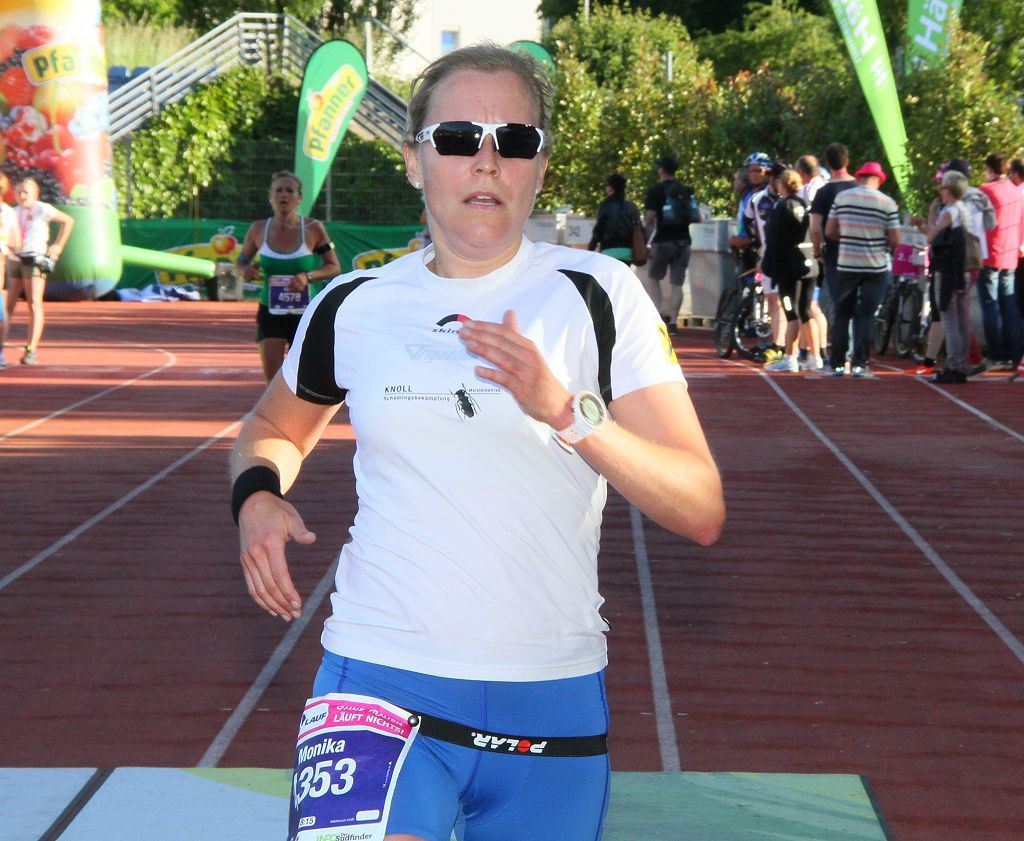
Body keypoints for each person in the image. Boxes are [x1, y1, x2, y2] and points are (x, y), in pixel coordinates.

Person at [230, 44, 724, 841]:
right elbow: (273, 427)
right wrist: (256, 494)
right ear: (414, 160)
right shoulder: (352, 304)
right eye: (459, 137)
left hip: (551, 699)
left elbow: (699, 504)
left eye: (514, 140)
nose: (486, 160)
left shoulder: (599, 295)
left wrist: (567, 411)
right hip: (378, 679)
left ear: (540, 166)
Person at [236, 171, 341, 382]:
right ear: (270, 196)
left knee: (303, 379)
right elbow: (240, 263)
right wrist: (244, 271)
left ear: (299, 197)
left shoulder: (313, 228)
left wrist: (307, 276)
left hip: (305, 312)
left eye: (290, 191)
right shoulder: (258, 229)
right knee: (272, 379)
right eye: (278, 190)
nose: (284, 195)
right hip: (271, 310)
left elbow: (334, 267)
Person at [825, 161, 900, 378]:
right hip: (875, 266)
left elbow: (830, 231)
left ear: (859, 178)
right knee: (866, 314)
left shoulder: (842, 198)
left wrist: (847, 237)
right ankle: (860, 364)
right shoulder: (887, 203)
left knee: (842, 313)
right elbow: (895, 239)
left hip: (847, 263)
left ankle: (837, 364)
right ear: (878, 180)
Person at [3, 177, 74, 366]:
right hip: (14, 259)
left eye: (26, 192)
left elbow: (68, 221)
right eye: (18, 192)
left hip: (34, 259)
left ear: (35, 194)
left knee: (34, 302)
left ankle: (31, 349)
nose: (22, 196)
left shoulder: (42, 209)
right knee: (7, 306)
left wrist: (58, 246)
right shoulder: (12, 212)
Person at [916, 170, 973, 384]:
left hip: (948, 269)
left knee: (950, 319)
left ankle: (954, 365)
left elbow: (933, 235)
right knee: (961, 320)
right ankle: (960, 364)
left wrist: (929, 216)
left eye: (942, 187)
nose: (940, 191)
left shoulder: (950, 212)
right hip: (964, 268)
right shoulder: (964, 209)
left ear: (948, 189)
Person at [762, 168, 814, 372]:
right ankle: (816, 356)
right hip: (810, 264)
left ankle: (790, 357)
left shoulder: (782, 207)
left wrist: (768, 265)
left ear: (781, 185)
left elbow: (773, 240)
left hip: (789, 267)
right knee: (806, 311)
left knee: (791, 312)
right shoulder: (805, 205)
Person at [976, 152, 1024, 372]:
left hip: (990, 253)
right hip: (1011, 254)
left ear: (990, 169)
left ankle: (997, 354)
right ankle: (1016, 354)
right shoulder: (1016, 191)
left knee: (990, 305)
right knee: (1009, 305)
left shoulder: (985, 190)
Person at [642, 154, 699, 335]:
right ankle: (673, 323)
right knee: (677, 284)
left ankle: (658, 318)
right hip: (684, 242)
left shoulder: (655, 191)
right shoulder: (686, 190)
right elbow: (696, 215)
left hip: (663, 241)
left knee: (653, 279)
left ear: (661, 170)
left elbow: (650, 220)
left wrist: (644, 241)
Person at [810, 142, 857, 325]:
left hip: (835, 255)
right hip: (861, 253)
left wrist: (817, 253)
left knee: (840, 305)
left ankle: (841, 340)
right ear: (847, 161)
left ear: (828, 163)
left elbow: (815, 229)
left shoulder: (823, 192)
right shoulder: (859, 187)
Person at [587, 172, 642, 265]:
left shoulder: (605, 206)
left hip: (608, 252)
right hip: (627, 253)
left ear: (610, 188)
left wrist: (591, 247)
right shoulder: (631, 206)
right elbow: (639, 229)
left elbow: (598, 229)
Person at [0, 173, 22, 370]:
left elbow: (16, 242)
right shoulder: (9, 212)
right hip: (4, 258)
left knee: (1, 310)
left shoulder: (6, 212)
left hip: (1, 260)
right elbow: (17, 242)